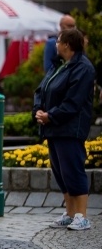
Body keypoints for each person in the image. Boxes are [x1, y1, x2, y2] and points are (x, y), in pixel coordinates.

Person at [34, 28, 95, 231]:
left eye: (58, 41)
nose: (55, 44)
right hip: (53, 128)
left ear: (67, 45)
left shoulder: (83, 68)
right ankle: (69, 214)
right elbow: (42, 89)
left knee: (73, 170)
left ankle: (82, 216)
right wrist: (39, 110)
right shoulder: (60, 65)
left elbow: (73, 102)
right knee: (61, 172)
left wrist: (51, 115)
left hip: (69, 128)